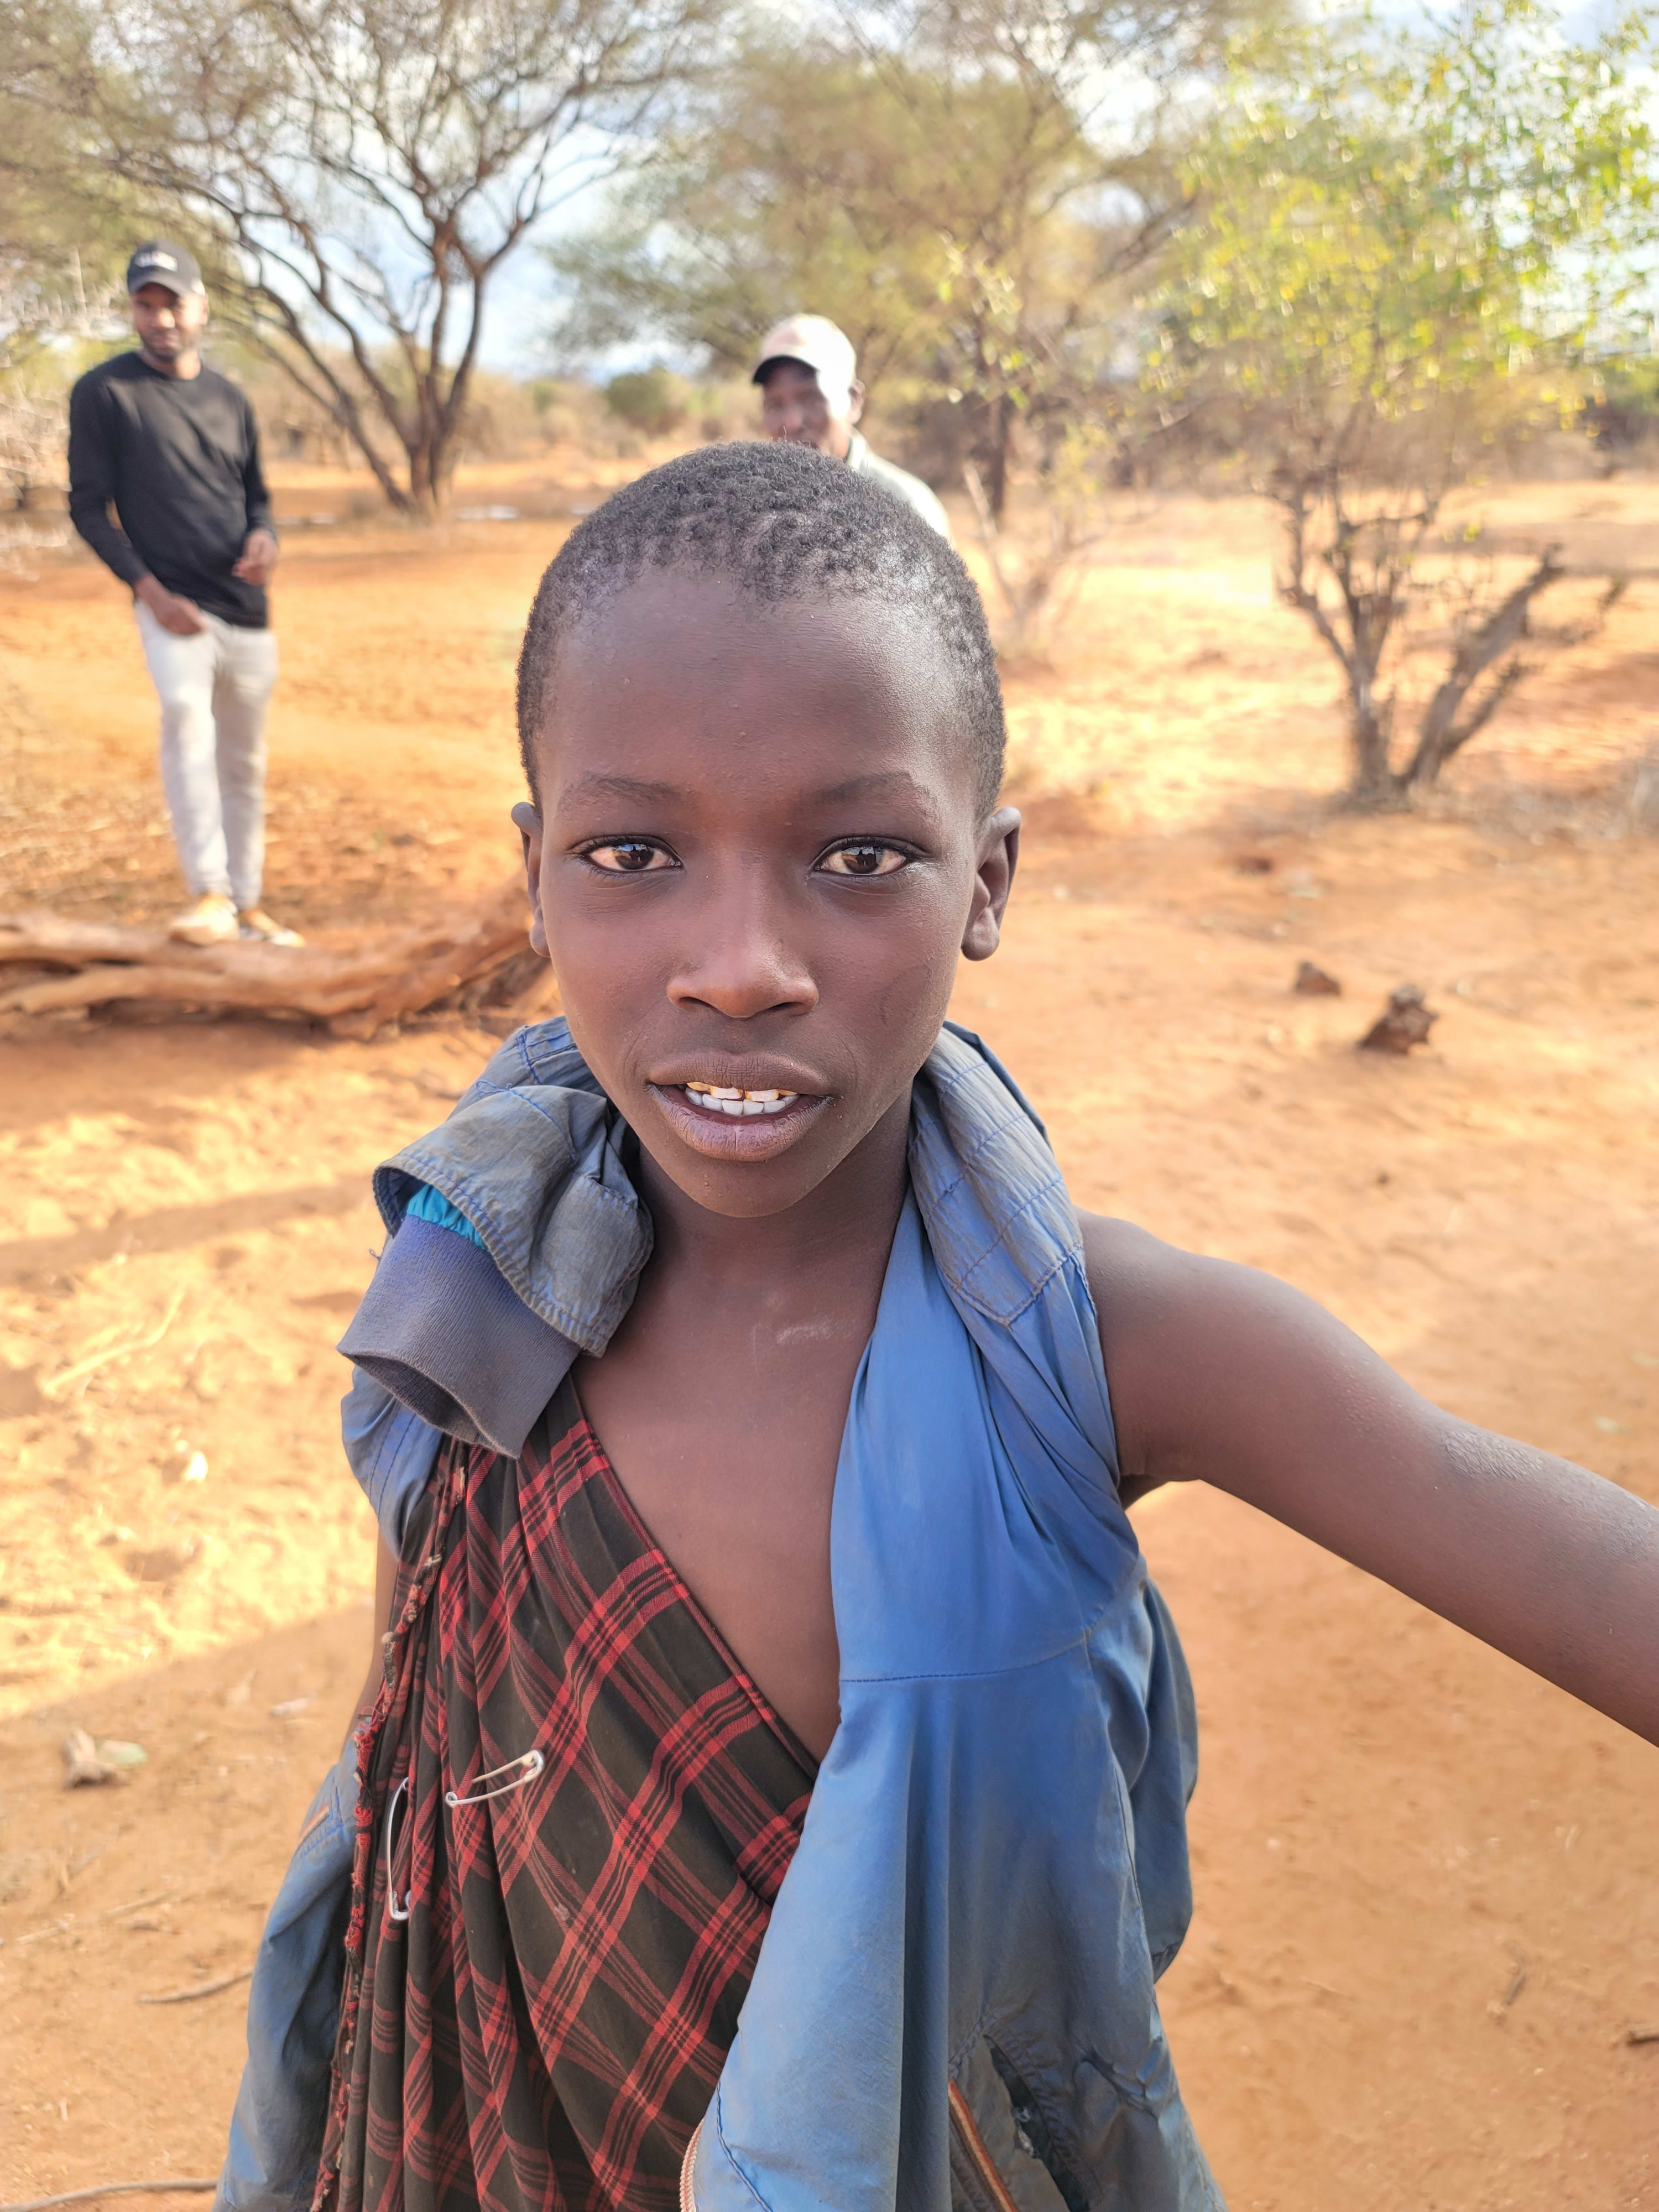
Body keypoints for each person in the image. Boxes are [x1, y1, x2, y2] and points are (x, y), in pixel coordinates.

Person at [215, 442, 1658, 2212]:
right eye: (635, 849)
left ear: (985, 880)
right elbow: (412, 1698)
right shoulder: (476, 1268)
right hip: (479, 2132)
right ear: (535, 874)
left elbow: (1583, 1578)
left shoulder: (1096, 1344)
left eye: (858, 854)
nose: (739, 960)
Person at [67, 240, 301, 947]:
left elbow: (257, 498)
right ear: (133, 311)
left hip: (247, 611)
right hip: (172, 608)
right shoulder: (106, 394)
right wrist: (151, 593)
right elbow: (87, 508)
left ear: (200, 307)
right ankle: (208, 894)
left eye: (172, 302)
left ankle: (249, 907)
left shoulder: (230, 398)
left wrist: (266, 539)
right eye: (146, 303)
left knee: (245, 762)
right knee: (185, 726)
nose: (161, 317)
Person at [752, 311, 951, 538]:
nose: (792, 422)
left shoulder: (909, 513)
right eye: (775, 405)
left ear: (854, 400)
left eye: (810, 398)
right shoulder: (751, 509)